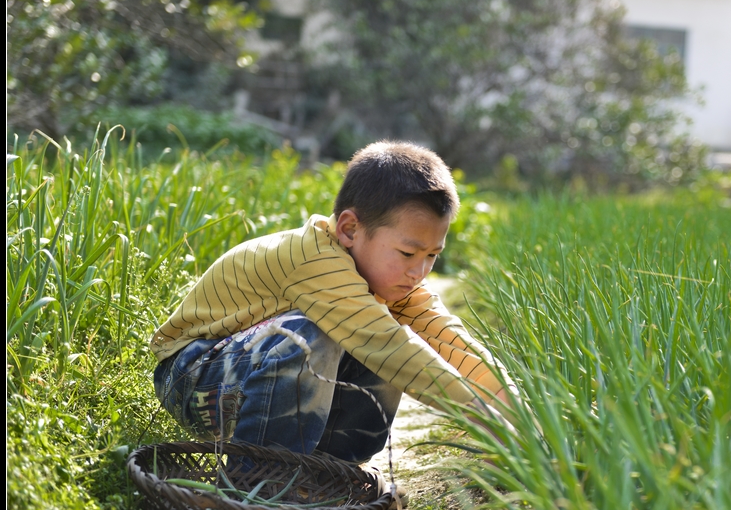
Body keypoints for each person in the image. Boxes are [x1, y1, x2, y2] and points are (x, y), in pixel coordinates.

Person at [150, 141, 516, 470]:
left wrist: (512, 404)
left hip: (248, 373)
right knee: (325, 336)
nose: (418, 271)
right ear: (349, 229)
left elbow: (445, 337)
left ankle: (327, 475)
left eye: (432, 255)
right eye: (407, 253)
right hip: (192, 374)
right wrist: (481, 415)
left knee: (388, 340)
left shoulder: (392, 282)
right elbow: (386, 344)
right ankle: (259, 482)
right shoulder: (313, 258)